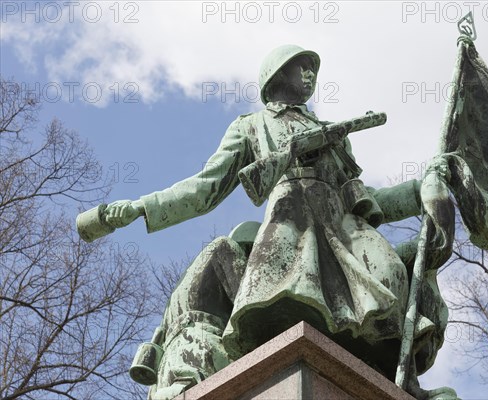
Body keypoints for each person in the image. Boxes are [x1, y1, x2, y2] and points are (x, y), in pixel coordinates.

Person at [104, 44, 455, 400]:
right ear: (276, 75)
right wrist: (141, 207)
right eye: (301, 66)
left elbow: (363, 197)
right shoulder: (251, 126)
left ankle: (405, 384)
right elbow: (204, 189)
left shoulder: (333, 132)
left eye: (313, 69)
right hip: (292, 221)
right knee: (283, 297)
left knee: (392, 276)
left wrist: (419, 187)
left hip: (343, 224)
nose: (310, 74)